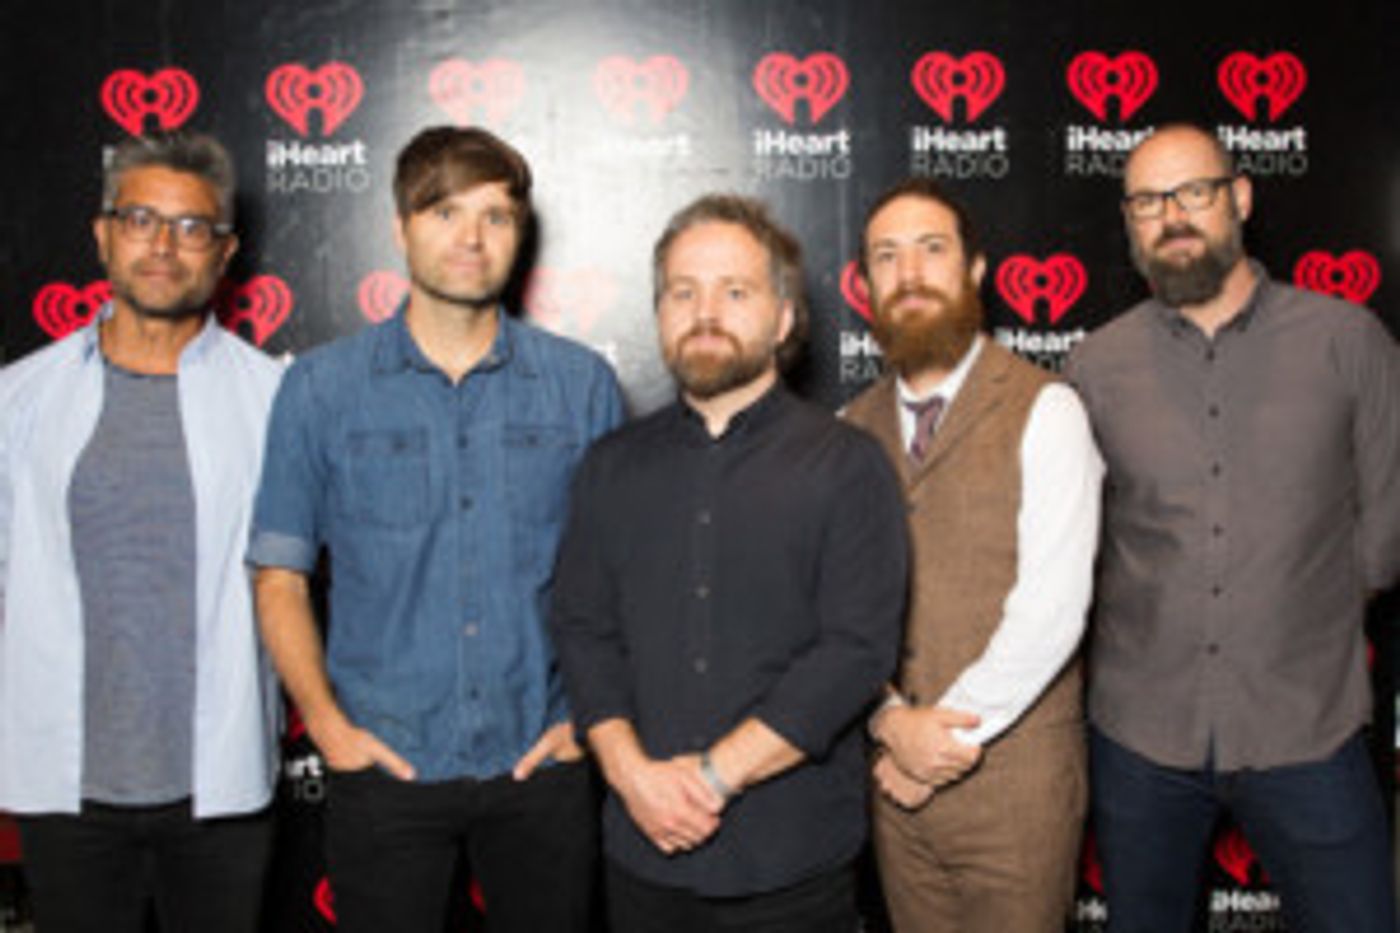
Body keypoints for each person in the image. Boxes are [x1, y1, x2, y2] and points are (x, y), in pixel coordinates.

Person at [248, 125, 623, 933]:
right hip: (384, 768)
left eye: (496, 215)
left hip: (542, 763)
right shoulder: (319, 390)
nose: (472, 237)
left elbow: (622, 576)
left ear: (521, 236)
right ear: (400, 227)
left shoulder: (580, 386)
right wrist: (328, 724)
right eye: (446, 211)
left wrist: (591, 720)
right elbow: (278, 573)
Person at [1065, 122, 1400, 932]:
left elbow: (1382, 535)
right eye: (1147, 201)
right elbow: (1081, 551)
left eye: (1194, 192)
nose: (1172, 216)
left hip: (1307, 727)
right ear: (1129, 223)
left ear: (1240, 197)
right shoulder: (1092, 368)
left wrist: (1291, 617)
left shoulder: (1348, 342)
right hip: (1142, 739)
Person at [550, 194, 908, 932]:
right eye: (683, 291)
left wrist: (709, 778)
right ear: (658, 314)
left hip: (793, 865)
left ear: (783, 319)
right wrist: (631, 775)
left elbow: (854, 651)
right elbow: (583, 631)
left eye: (733, 291)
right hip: (643, 861)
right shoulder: (609, 468)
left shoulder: (848, 465)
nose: (704, 310)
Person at [0, 131, 282, 932]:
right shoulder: (17, 401)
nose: (163, 244)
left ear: (225, 253)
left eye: (191, 227)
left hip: (222, 787)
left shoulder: (275, 400)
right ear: (102, 235)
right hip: (67, 790)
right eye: (140, 219)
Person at [843, 178, 1103, 932]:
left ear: (975, 271)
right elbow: (834, 609)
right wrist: (891, 722)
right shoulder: (848, 428)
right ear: (865, 286)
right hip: (891, 782)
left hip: (1012, 783)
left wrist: (934, 742)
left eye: (932, 249)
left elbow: (1052, 611)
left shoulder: (1046, 408)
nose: (911, 273)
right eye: (887, 257)